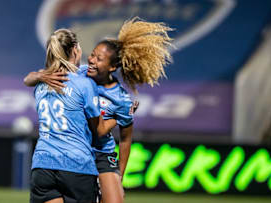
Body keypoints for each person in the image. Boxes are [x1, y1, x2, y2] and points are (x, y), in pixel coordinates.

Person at [25, 17, 173, 203]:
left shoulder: (121, 99)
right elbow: (30, 79)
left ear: (112, 67)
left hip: (101, 153)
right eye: (92, 54)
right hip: (79, 153)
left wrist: (120, 175)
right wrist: (42, 75)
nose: (92, 60)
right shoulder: (81, 74)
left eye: (99, 59)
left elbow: (125, 140)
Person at [29, 28, 116, 203]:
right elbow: (98, 130)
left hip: (42, 166)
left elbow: (30, 79)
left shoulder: (40, 84)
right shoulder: (84, 85)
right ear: (75, 49)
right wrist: (118, 115)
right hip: (76, 167)